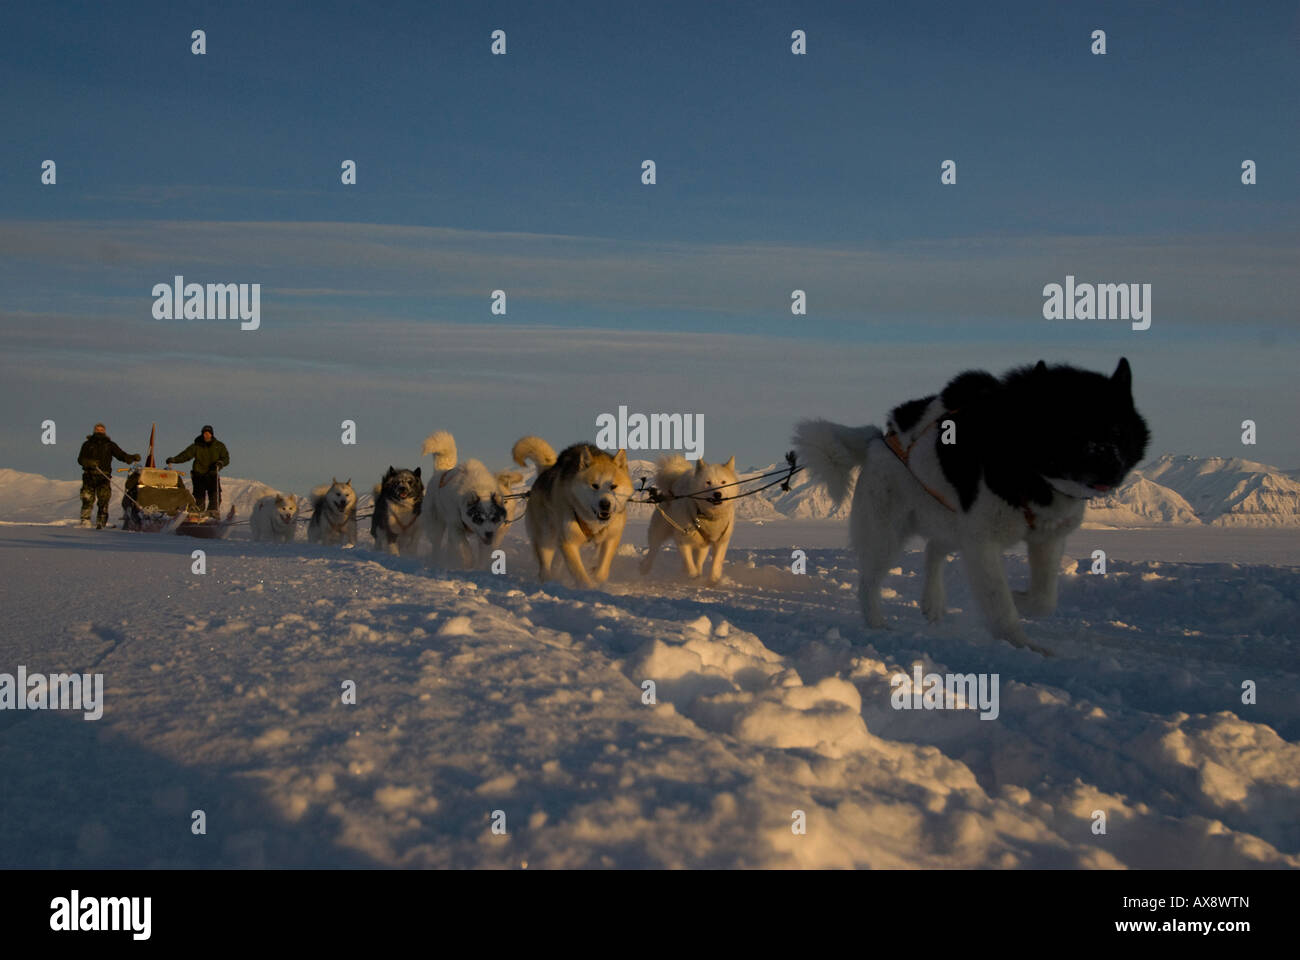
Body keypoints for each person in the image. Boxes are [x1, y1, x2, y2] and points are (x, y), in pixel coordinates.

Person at [77, 423, 140, 528]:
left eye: (101, 430)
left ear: (104, 431)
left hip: (104, 476)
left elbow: (121, 455)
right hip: (89, 475)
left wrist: (131, 457)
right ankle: (85, 520)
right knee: (87, 499)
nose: (99, 431)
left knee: (104, 500)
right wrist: (89, 462)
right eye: (98, 429)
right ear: (94, 431)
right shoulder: (87, 444)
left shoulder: (110, 445)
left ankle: (101, 522)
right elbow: (80, 459)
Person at [167, 424, 230, 514]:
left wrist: (220, 464)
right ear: (202, 434)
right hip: (199, 475)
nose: (206, 435)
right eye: (204, 433)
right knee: (199, 498)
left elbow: (226, 458)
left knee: (215, 497)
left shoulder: (219, 446)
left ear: (212, 434)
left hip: (212, 474)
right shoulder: (196, 446)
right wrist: (174, 459)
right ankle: (197, 516)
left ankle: (212, 514)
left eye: (208, 433)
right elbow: (186, 455)